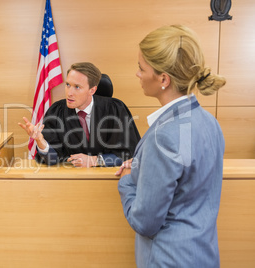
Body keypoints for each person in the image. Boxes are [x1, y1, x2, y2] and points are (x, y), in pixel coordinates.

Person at [116, 25, 226, 267]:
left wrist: (127, 180)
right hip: (202, 255)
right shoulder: (210, 123)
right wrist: (144, 166)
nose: (137, 74)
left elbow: (145, 221)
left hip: (168, 259)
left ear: (163, 79)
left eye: (141, 68)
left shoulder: (164, 136)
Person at [19, 62, 140, 167]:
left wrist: (94, 160)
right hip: (72, 181)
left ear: (92, 90)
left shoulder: (115, 109)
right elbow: (52, 159)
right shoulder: (57, 111)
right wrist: (41, 141)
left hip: (110, 179)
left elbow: (130, 153)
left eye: (77, 87)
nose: (69, 93)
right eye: (68, 85)